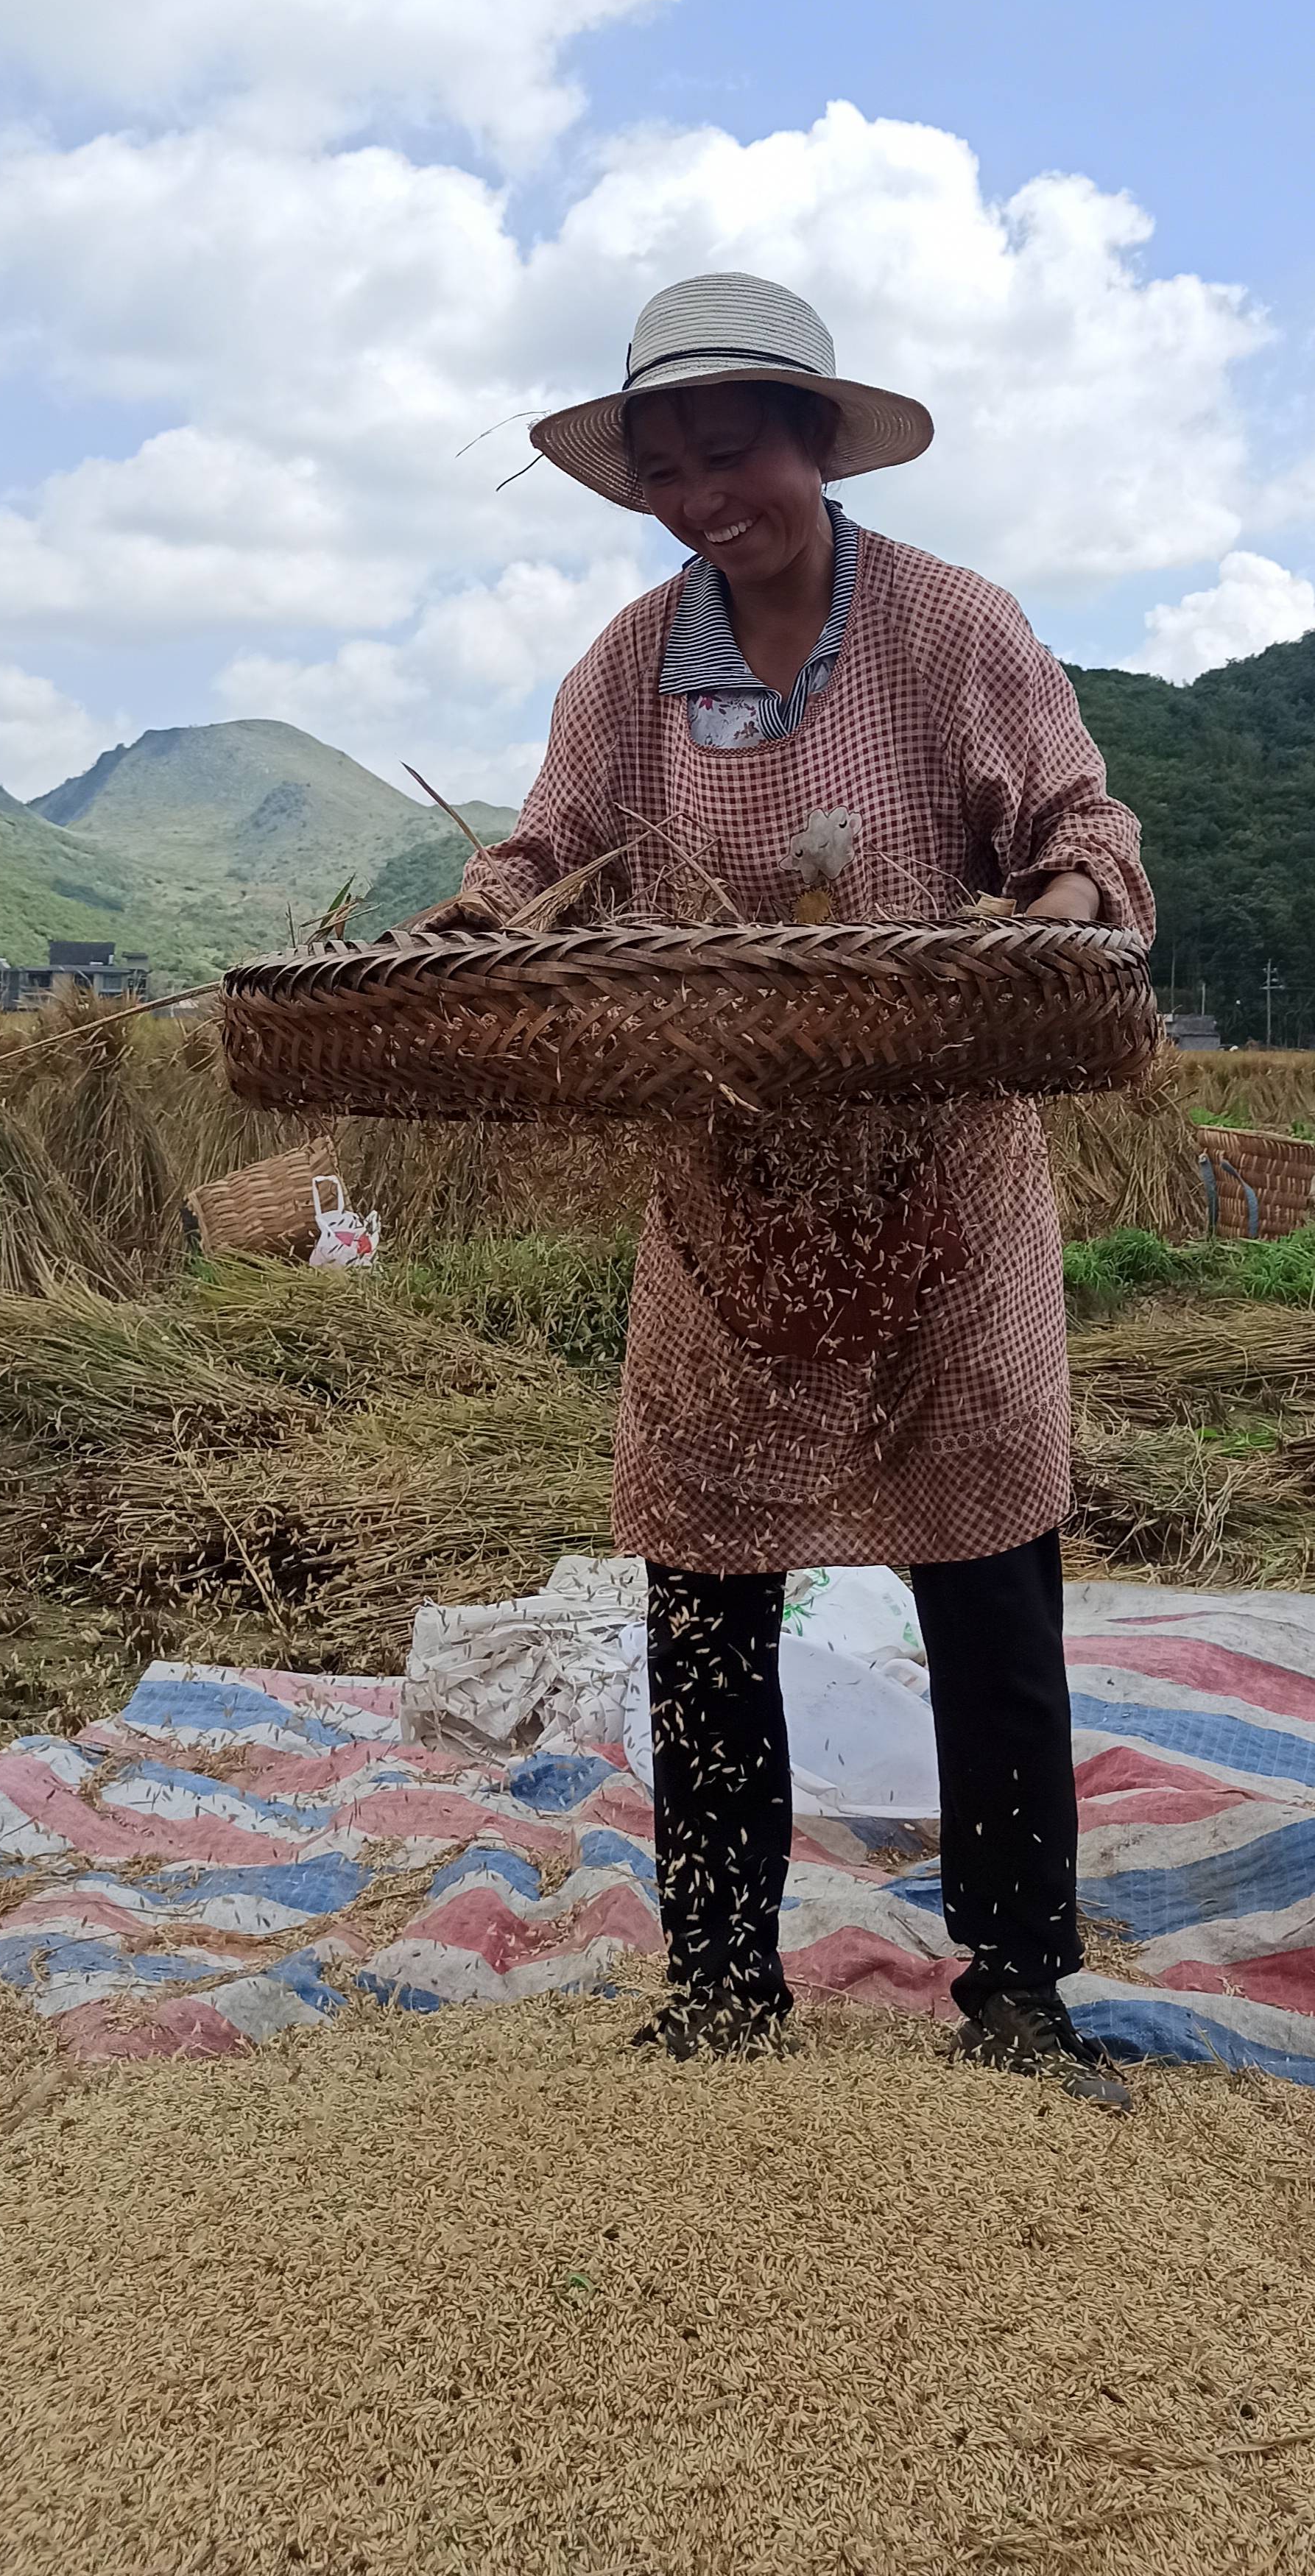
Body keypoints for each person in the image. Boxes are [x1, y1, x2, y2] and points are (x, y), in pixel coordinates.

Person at [454, 270, 1153, 2111]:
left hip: (941, 1205)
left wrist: (1059, 917)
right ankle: (714, 1979)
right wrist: (482, 916)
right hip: (728, 1208)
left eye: (731, 449)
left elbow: (1082, 827)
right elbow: (550, 850)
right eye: (665, 464)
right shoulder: (627, 665)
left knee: (988, 1588)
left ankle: (1014, 1983)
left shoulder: (945, 628)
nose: (701, 494)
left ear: (817, 440)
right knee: (701, 1594)